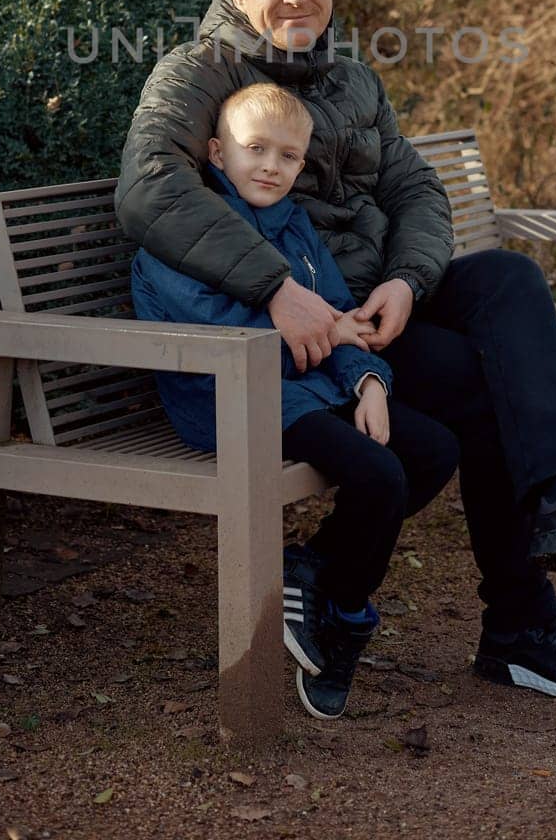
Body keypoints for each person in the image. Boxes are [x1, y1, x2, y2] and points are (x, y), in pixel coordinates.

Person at [117, 0, 556, 702]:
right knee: (483, 381)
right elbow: (149, 192)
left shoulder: (353, 79)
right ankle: (521, 629)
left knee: (510, 280)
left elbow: (416, 187)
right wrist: (278, 289)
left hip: (373, 310)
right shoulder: (198, 73)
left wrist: (407, 282)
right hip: (291, 328)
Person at [131, 81, 459, 720]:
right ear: (217, 154)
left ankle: (311, 573)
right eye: (256, 150)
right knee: (378, 474)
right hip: (227, 400)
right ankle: (346, 618)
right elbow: (226, 338)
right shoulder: (182, 234)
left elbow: (337, 317)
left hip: (306, 389)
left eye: (287, 156)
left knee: (433, 450)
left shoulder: (296, 227)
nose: (271, 166)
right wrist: (326, 335)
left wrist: (368, 381)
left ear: (301, 165)